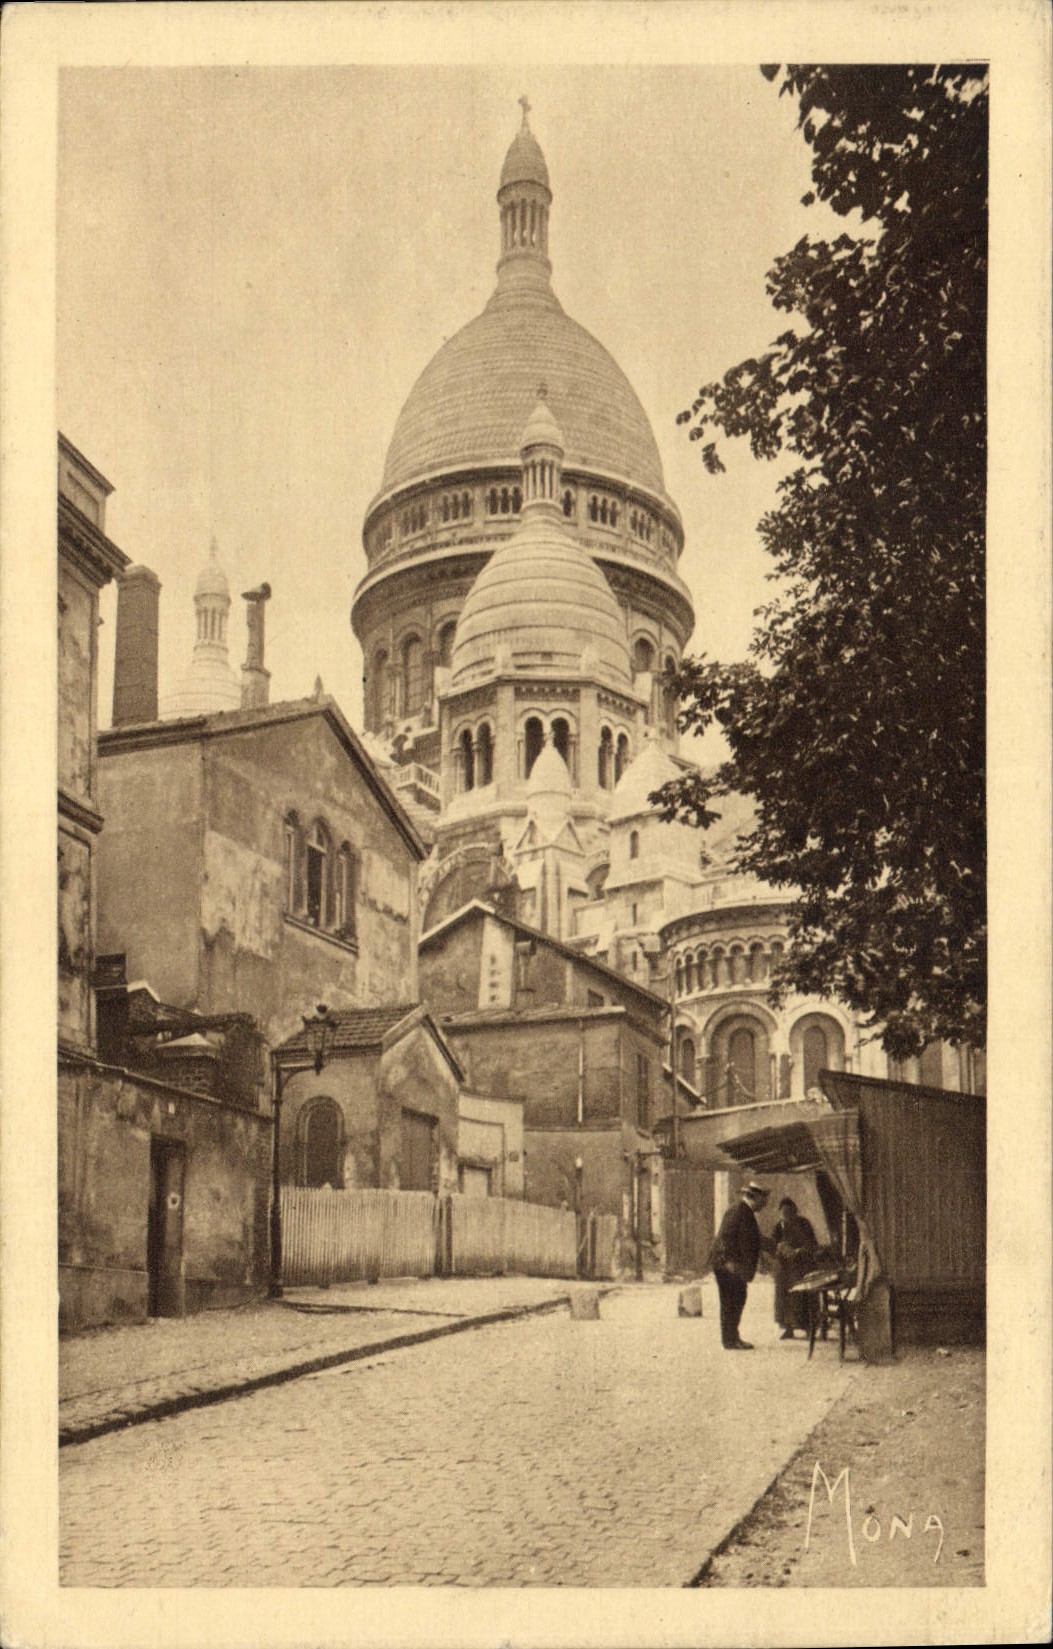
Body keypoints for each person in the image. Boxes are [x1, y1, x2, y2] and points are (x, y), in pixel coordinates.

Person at [709, 1180, 770, 1350]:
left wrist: (775, 1247)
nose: (764, 1205)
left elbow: (755, 1239)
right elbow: (726, 1238)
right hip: (728, 1265)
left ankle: (732, 1337)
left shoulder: (743, 1211)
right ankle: (730, 1340)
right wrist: (729, 1262)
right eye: (763, 1200)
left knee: (736, 1298)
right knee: (732, 1300)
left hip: (730, 1264)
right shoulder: (740, 1211)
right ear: (755, 1197)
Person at [772, 1196, 818, 1340]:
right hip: (785, 1269)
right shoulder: (778, 1227)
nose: (786, 1215)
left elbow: (812, 1244)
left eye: (789, 1212)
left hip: (802, 1266)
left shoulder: (804, 1224)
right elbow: (773, 1245)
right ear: (780, 1213)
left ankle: (809, 1327)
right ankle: (788, 1328)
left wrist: (800, 1251)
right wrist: (780, 1249)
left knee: (804, 1297)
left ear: (795, 1211)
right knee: (783, 1297)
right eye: (783, 1212)